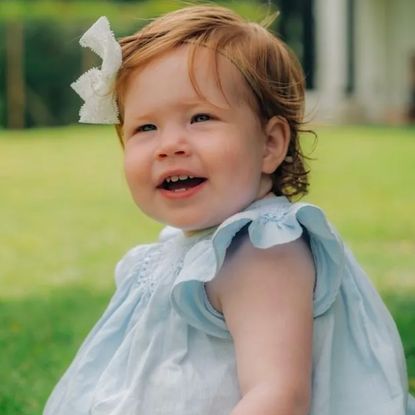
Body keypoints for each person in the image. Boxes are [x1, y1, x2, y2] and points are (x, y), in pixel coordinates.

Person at [44, 5, 415, 415]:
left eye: (200, 118)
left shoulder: (263, 252)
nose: (169, 145)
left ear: (270, 144)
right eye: (145, 127)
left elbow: (277, 395)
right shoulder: (188, 249)